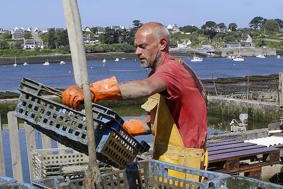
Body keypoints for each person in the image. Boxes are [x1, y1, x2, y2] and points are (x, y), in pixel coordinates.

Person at [61, 22, 208, 172]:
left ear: (162, 44)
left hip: (185, 164)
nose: (137, 52)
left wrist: (92, 91)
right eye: (136, 47)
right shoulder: (160, 74)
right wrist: (129, 128)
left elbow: (145, 87)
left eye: (143, 46)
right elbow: (161, 123)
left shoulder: (172, 70)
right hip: (171, 161)